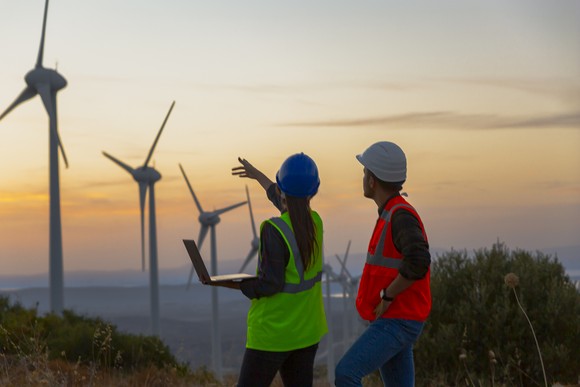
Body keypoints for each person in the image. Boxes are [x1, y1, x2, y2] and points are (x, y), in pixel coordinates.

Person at [219, 153, 328, 387]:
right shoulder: (315, 223)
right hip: (307, 332)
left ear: (282, 190)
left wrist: (234, 283)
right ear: (313, 191)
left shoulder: (274, 229)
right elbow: (287, 200)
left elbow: (270, 284)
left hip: (272, 334)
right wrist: (257, 175)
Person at [334, 141, 431, 387]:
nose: (363, 176)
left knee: (346, 373)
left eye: (365, 171)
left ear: (373, 181)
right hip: (399, 317)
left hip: (398, 318)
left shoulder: (400, 215)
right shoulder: (393, 211)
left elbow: (419, 260)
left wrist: (387, 295)